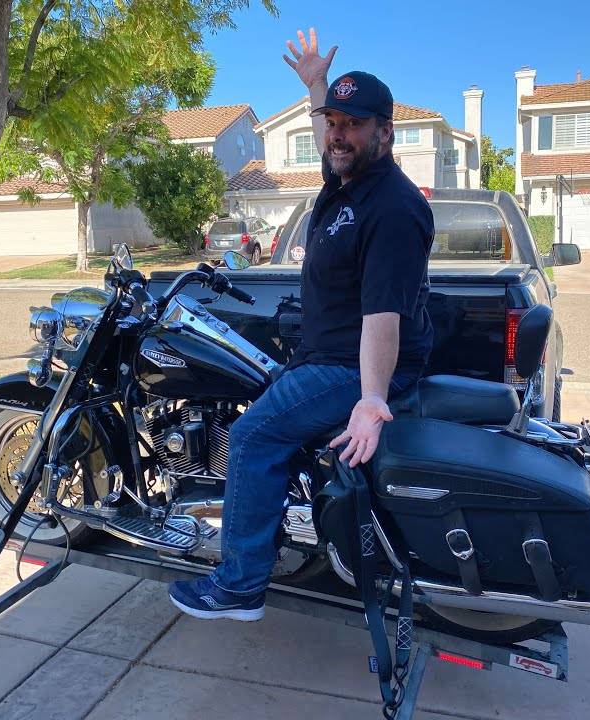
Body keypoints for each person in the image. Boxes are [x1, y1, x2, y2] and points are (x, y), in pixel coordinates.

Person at [168, 28, 435, 621]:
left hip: (350, 364)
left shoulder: (389, 207)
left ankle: (239, 586)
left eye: (353, 124)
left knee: (252, 436)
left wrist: (371, 399)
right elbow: (328, 145)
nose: (338, 134)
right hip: (328, 354)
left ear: (385, 132)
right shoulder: (347, 178)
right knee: (261, 411)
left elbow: (382, 316)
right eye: (331, 121)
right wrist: (314, 83)